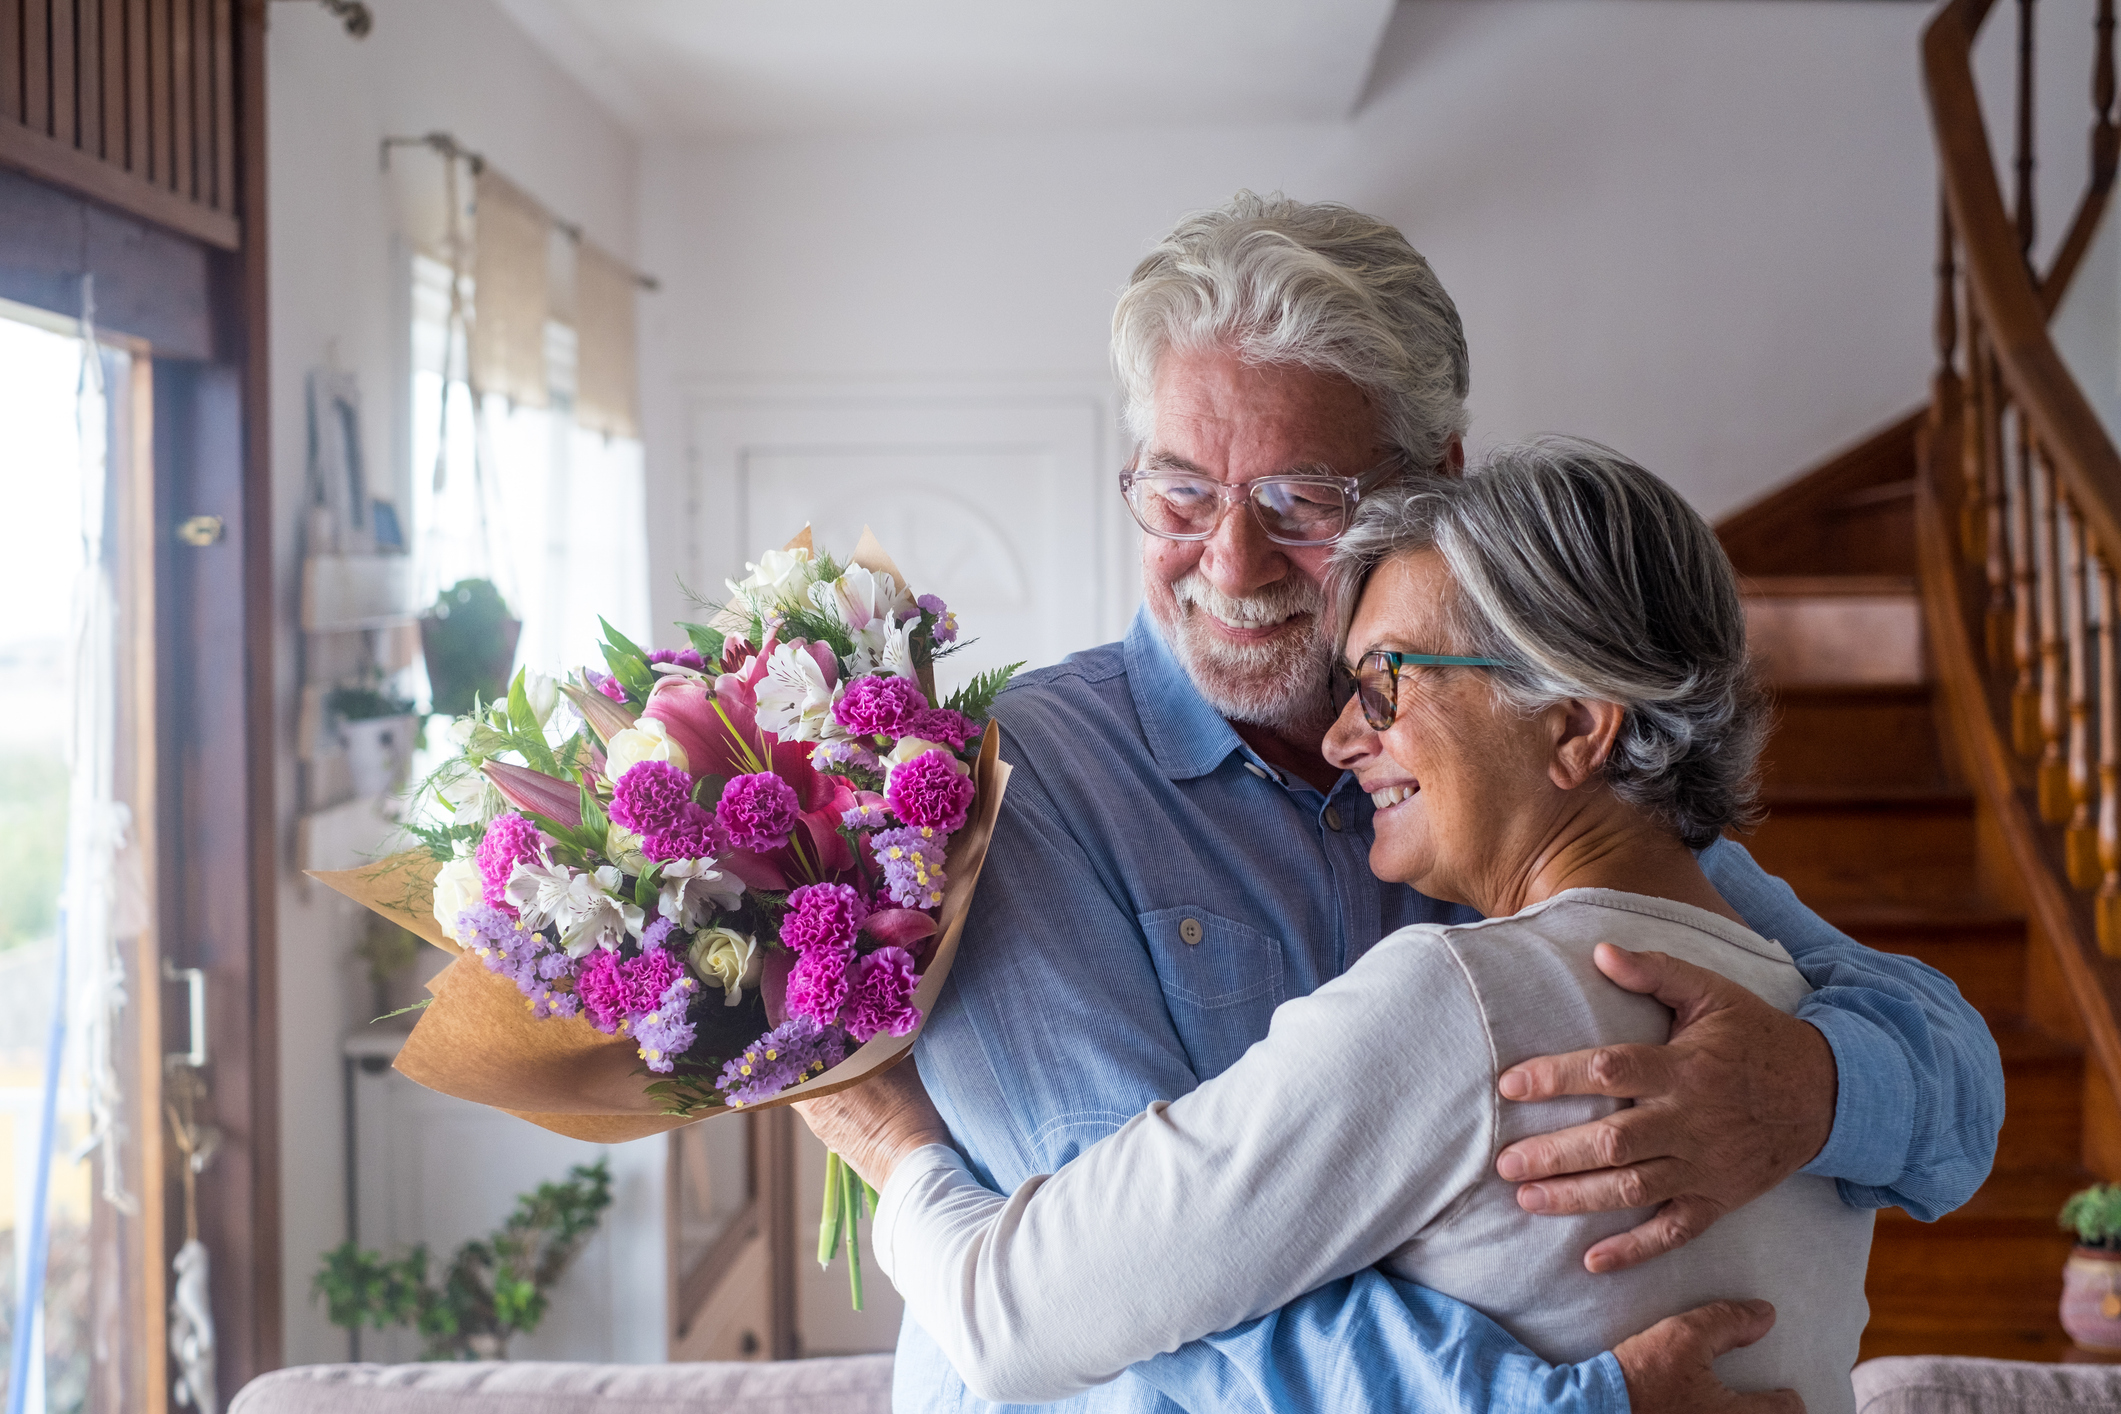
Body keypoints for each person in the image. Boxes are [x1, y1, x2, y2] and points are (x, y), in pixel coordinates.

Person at [825, 193, 2002, 1414]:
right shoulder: (1012, 781)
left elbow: (1939, 1065)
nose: (1230, 563)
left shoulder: (1544, 791)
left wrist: (1815, 1085)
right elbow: (1113, 1298)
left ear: (1429, 484)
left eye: (1300, 502)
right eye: (1180, 494)